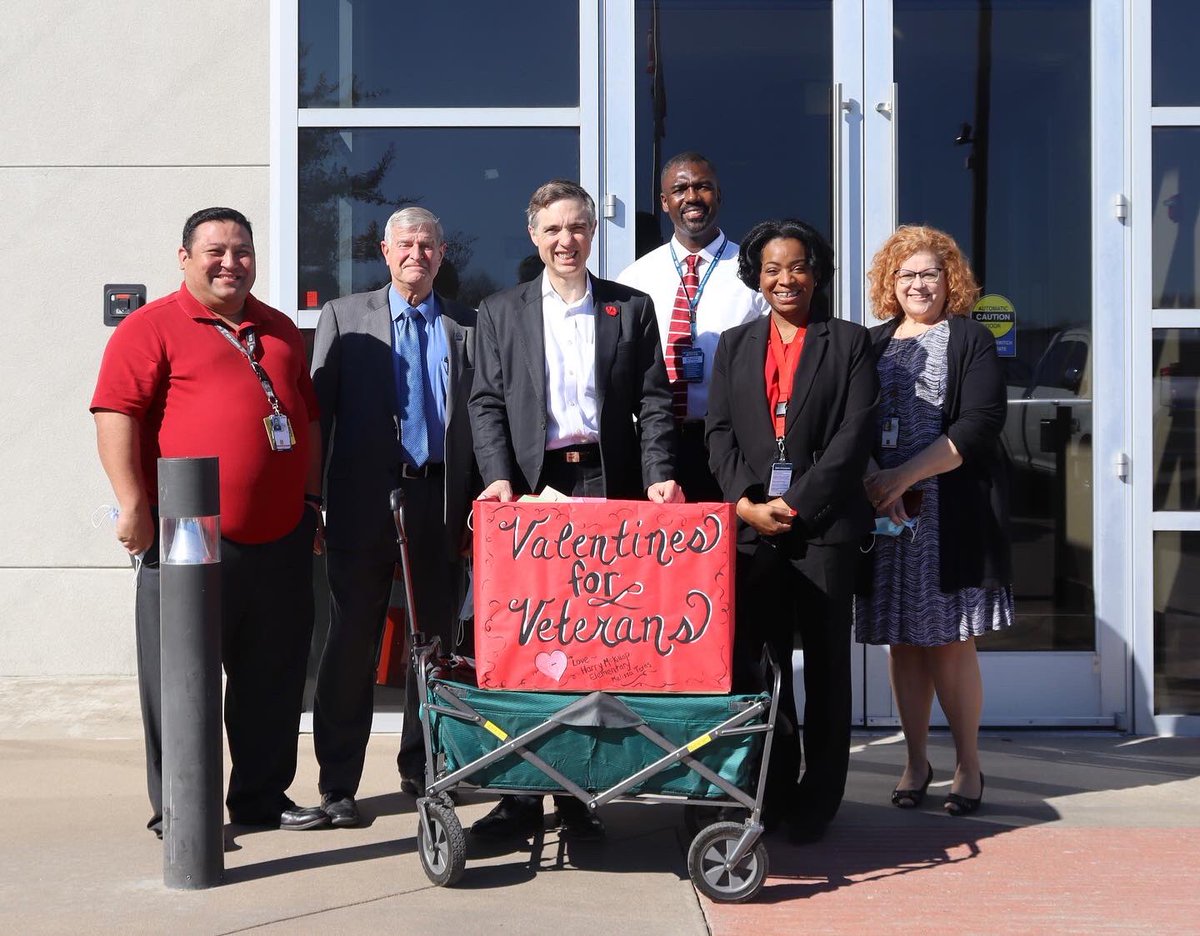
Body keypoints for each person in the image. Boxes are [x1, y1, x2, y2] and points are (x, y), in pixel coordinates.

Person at [91, 207, 326, 834]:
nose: (230, 262)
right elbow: (116, 413)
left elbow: (304, 418)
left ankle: (261, 799)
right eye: (215, 251)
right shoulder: (151, 327)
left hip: (281, 537)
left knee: (272, 681)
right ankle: (182, 810)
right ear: (184, 257)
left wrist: (311, 503)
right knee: (180, 681)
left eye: (242, 250)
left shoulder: (278, 328)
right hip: (185, 536)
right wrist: (133, 504)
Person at [468, 179, 683, 839]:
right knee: (533, 640)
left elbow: (653, 402)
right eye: (553, 230)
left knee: (594, 641)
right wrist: (498, 478)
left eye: (577, 228)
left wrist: (658, 476)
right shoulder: (500, 311)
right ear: (534, 237)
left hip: (604, 483)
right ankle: (522, 793)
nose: (566, 241)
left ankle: (581, 791)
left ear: (593, 234)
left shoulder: (630, 308)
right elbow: (486, 402)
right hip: (532, 491)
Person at [297, 207, 477, 830]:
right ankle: (339, 783)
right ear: (385, 249)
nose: (417, 254)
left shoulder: (465, 323)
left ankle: (424, 768)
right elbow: (319, 416)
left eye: (428, 244)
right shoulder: (346, 317)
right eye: (406, 243)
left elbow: (478, 422)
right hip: (363, 500)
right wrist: (316, 500)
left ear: (443, 252)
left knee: (434, 643)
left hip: (439, 501)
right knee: (352, 642)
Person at [706, 218, 878, 843]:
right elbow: (718, 433)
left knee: (828, 669)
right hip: (755, 533)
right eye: (773, 268)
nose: (786, 279)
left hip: (824, 532)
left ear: (816, 272)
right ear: (757, 276)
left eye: (797, 266)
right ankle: (771, 790)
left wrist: (798, 504)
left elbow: (852, 438)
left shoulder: (850, 342)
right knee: (765, 665)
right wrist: (746, 503)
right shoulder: (734, 344)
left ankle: (819, 801)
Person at [856, 225, 1013, 816]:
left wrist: (904, 477)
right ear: (890, 285)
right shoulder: (871, 343)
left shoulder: (970, 338)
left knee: (950, 641)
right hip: (885, 513)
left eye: (930, 273)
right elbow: (851, 423)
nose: (919, 284)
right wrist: (877, 480)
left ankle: (968, 764)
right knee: (903, 643)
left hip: (949, 511)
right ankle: (915, 761)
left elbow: (978, 423)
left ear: (951, 281)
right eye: (907, 275)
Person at [617, 152, 768, 502]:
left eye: (703, 187)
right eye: (680, 188)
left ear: (719, 195)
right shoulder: (635, 278)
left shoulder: (755, 274)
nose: (692, 197)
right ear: (664, 202)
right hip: (656, 448)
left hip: (732, 443)